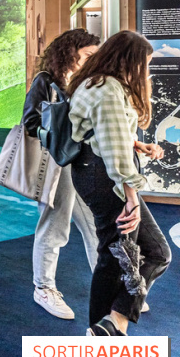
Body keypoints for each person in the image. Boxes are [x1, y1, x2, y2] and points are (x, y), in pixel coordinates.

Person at [67, 31, 171, 336]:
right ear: (129, 59)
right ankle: (103, 333)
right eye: (144, 64)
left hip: (96, 171)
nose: (145, 72)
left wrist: (138, 145)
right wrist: (132, 198)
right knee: (115, 256)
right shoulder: (107, 87)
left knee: (156, 253)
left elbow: (104, 134)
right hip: (104, 177)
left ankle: (113, 322)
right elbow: (113, 150)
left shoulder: (96, 83)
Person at [22, 29, 100, 320]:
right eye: (89, 55)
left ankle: (111, 285)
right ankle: (43, 288)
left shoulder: (86, 84)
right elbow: (30, 122)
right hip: (57, 166)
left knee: (95, 226)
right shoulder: (46, 81)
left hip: (83, 166)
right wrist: (58, 133)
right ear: (71, 53)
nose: (94, 60)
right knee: (54, 226)